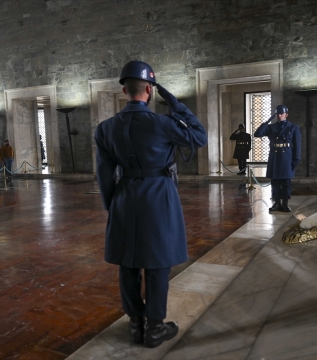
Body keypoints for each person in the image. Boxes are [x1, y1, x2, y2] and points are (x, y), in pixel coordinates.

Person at [94, 61, 207, 348]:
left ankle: (135, 323)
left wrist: (113, 206)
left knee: (128, 263)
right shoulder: (163, 123)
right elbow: (199, 137)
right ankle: (155, 328)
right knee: (157, 264)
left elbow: (104, 174)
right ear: (149, 89)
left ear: (124, 90)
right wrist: (177, 105)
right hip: (159, 196)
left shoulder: (105, 128)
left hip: (123, 196)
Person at [253, 104, 301, 212]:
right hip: (274, 157)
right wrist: (268, 120)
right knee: (275, 182)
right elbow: (258, 134)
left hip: (287, 157)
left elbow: (297, 145)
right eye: (278, 114)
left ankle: (285, 203)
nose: (279, 116)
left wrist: (296, 159)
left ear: (286, 115)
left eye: (281, 113)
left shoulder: (293, 127)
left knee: (285, 182)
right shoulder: (270, 127)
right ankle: (276, 203)